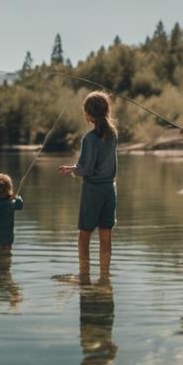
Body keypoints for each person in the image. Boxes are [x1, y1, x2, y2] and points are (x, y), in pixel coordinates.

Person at [58, 91, 118, 271]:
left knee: (84, 234)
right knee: (106, 235)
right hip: (110, 189)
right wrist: (74, 168)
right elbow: (94, 164)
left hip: (93, 191)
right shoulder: (113, 134)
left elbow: (86, 169)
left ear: (89, 115)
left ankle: (84, 275)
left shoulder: (89, 139)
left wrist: (72, 169)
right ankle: (105, 277)